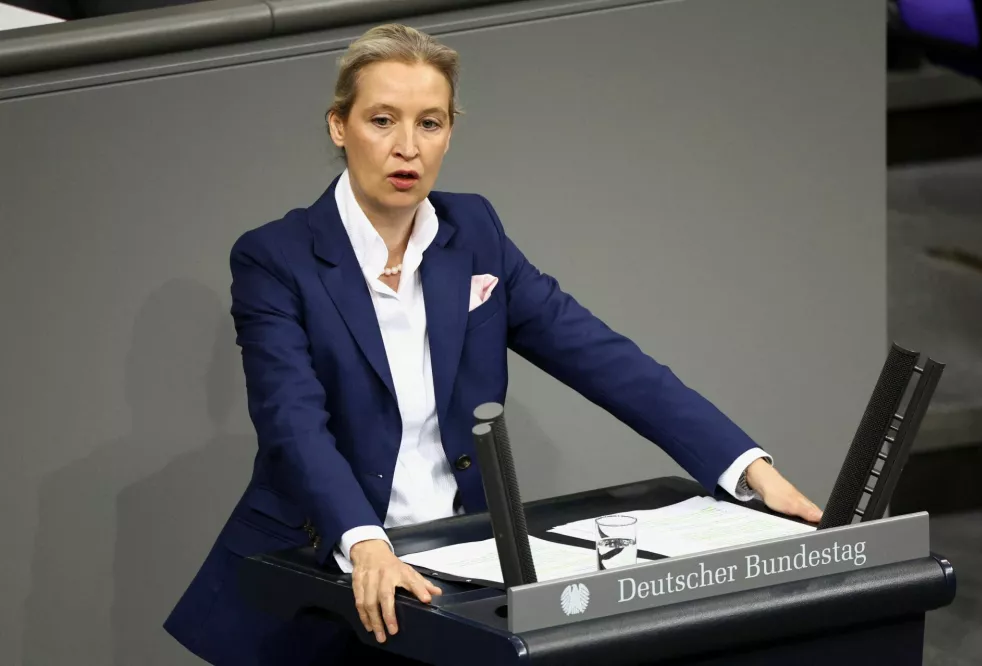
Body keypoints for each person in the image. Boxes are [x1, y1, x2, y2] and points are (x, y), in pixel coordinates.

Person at [164, 23, 823, 666]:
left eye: (430, 123)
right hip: (325, 563)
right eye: (382, 120)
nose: (407, 148)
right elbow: (292, 421)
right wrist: (364, 541)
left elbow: (600, 356)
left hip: (456, 563)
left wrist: (745, 468)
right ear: (340, 127)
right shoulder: (276, 257)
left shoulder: (472, 230)